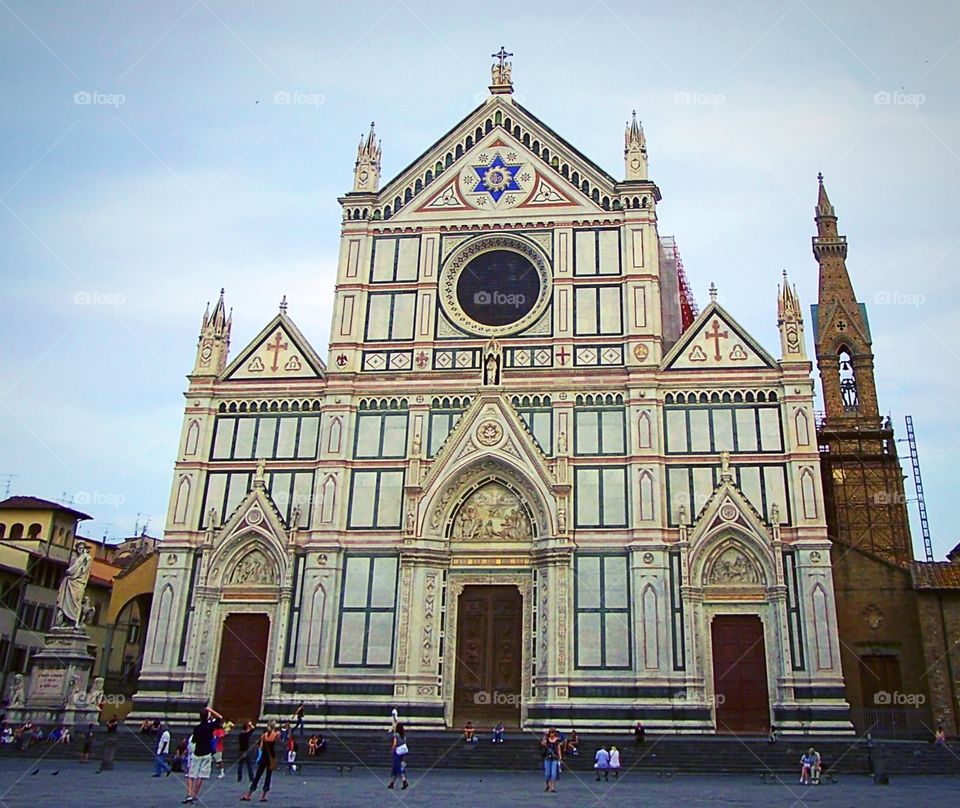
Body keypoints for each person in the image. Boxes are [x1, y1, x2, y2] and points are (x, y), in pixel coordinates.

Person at [184, 706, 221, 804]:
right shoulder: (210, 726)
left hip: (197, 753)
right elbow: (220, 718)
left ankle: (189, 794)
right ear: (207, 716)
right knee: (201, 775)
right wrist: (211, 710)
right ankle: (195, 795)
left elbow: (194, 740)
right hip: (207, 753)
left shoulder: (197, 728)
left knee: (191, 775)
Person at [242, 721, 279, 802]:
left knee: (258, 775)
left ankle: (249, 794)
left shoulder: (264, 735)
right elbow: (279, 740)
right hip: (271, 757)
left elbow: (261, 747)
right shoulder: (276, 734)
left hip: (264, 757)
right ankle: (263, 796)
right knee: (268, 777)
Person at [387, 721, 409, 790]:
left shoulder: (396, 735)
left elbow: (395, 743)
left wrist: (392, 749)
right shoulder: (403, 736)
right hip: (403, 752)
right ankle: (392, 783)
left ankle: (404, 780)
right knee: (397, 767)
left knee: (397, 767)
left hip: (397, 752)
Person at [541, 727, 563, 793]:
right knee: (547, 774)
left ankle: (552, 787)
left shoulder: (557, 740)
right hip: (547, 758)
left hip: (554, 758)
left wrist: (560, 758)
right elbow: (542, 743)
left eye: (553, 732)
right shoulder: (547, 740)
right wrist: (544, 736)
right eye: (550, 732)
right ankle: (547, 785)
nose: (552, 734)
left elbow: (559, 749)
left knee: (553, 774)